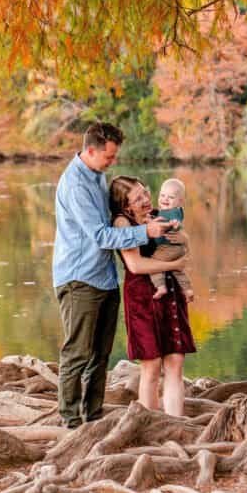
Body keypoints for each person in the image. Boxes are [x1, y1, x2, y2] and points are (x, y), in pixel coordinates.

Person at [52, 122, 171, 429]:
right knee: (77, 353)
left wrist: (149, 215)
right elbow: (102, 236)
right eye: (108, 156)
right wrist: (145, 232)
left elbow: (118, 215)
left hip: (104, 278)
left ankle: (92, 418)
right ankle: (70, 422)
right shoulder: (77, 185)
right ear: (90, 151)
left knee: (100, 355)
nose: (112, 162)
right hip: (79, 279)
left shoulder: (97, 176)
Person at [109, 175, 195, 416]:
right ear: (126, 205)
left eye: (145, 193)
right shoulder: (122, 223)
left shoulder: (159, 214)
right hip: (142, 297)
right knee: (152, 365)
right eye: (138, 198)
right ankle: (150, 423)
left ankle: (176, 423)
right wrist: (175, 264)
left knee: (175, 362)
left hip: (171, 291)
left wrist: (183, 241)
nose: (147, 199)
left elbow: (182, 239)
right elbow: (135, 265)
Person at [148, 178, 194, 301]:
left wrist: (175, 224)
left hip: (167, 248)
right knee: (177, 271)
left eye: (171, 197)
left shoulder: (172, 213)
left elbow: (176, 221)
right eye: (162, 195)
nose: (165, 199)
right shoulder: (175, 210)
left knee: (153, 264)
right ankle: (188, 290)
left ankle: (161, 286)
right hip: (177, 249)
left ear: (180, 201)